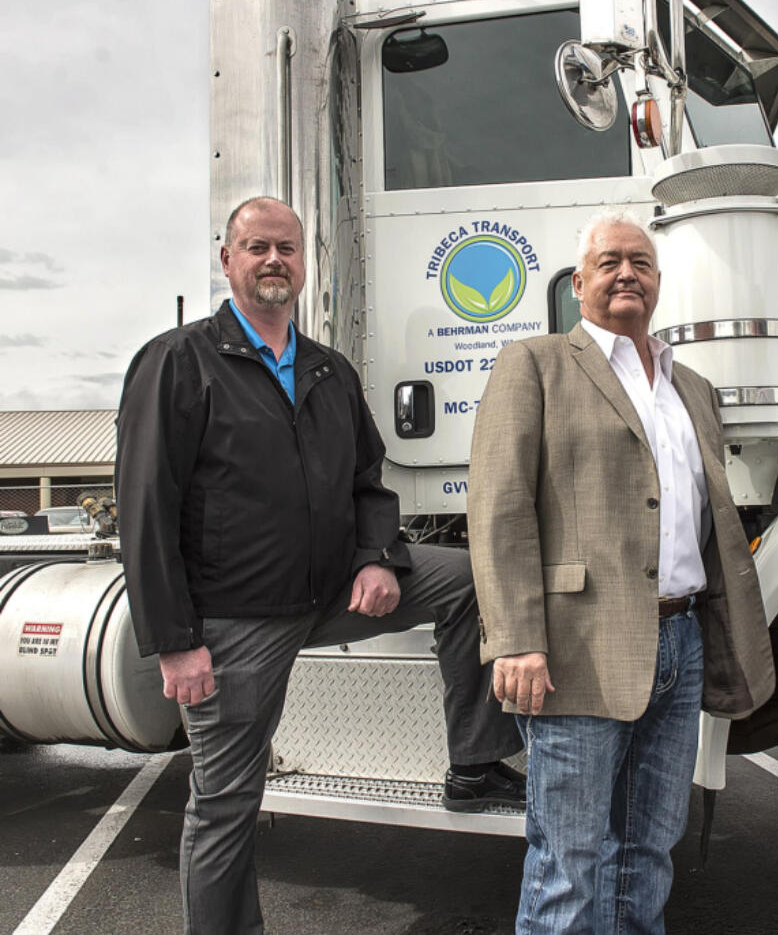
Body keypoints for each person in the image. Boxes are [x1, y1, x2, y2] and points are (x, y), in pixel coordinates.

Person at [115, 196, 523, 935]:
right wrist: (175, 640)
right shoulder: (179, 362)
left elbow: (371, 482)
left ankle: (475, 761)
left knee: (468, 580)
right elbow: (146, 505)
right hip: (235, 619)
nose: (275, 260)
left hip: (333, 590)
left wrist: (378, 559)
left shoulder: (329, 371)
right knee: (226, 803)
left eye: (288, 249)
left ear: (305, 263)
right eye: (258, 247)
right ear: (228, 259)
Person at [467, 209, 775, 933]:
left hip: (681, 641)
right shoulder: (535, 363)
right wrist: (514, 639)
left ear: (659, 282)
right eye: (608, 263)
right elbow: (499, 507)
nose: (625, 273)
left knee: (646, 853)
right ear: (579, 283)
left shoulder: (691, 386)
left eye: (639, 262)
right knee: (567, 861)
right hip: (576, 650)